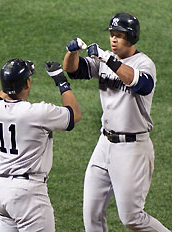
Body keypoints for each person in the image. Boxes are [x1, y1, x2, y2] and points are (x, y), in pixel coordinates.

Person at [63, 13, 170, 232]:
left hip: (133, 148)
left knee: (132, 219)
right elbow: (73, 70)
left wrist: (108, 60)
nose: (113, 40)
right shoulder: (105, 59)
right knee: (91, 215)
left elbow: (142, 85)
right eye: (112, 35)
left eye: (119, 36)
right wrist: (72, 51)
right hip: (104, 145)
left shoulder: (143, 63)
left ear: (131, 38)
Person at [0, 58, 81, 232]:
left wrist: (12, 77)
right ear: (28, 83)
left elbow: (2, 94)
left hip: (1, 193)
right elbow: (74, 114)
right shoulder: (38, 113)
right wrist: (60, 79)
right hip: (28, 196)